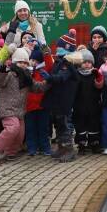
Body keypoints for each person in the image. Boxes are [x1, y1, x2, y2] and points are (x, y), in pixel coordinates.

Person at [0, 47, 40, 163]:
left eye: (25, 63)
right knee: (13, 128)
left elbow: (37, 88)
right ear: (15, 62)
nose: (22, 65)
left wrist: (49, 82)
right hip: (7, 108)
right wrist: (2, 73)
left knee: (20, 135)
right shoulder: (10, 74)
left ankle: (10, 153)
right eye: (20, 62)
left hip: (20, 111)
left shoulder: (27, 78)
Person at [42, 29, 81, 163]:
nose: (57, 49)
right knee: (58, 125)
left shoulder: (68, 64)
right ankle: (61, 148)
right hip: (58, 100)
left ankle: (68, 150)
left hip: (64, 101)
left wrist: (50, 78)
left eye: (59, 46)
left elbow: (61, 78)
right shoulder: (61, 61)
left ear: (66, 48)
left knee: (64, 126)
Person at [24, 44, 51, 156]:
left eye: (36, 60)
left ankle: (45, 148)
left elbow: (49, 62)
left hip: (42, 106)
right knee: (30, 129)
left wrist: (45, 51)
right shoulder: (27, 72)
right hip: (29, 106)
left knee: (43, 129)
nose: (33, 63)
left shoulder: (43, 71)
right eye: (32, 60)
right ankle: (32, 148)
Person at [73, 48, 102, 154]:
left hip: (93, 105)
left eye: (89, 62)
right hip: (79, 106)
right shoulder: (77, 74)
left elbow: (100, 87)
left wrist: (99, 78)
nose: (87, 64)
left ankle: (94, 143)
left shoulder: (95, 73)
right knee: (80, 126)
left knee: (93, 125)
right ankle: (81, 145)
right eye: (84, 62)